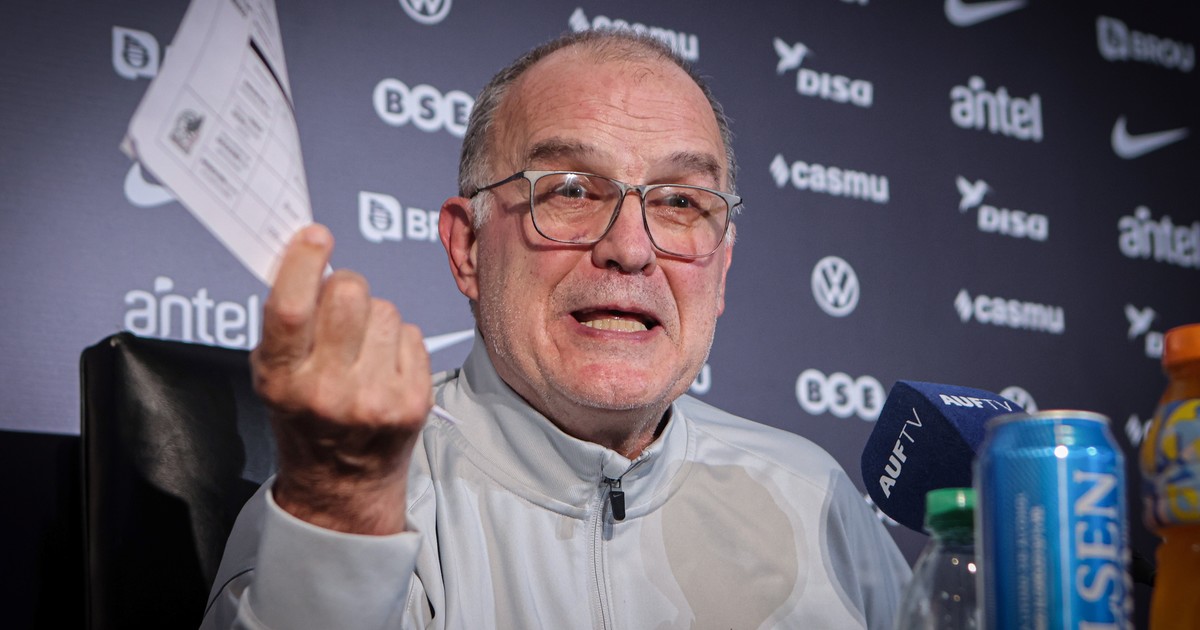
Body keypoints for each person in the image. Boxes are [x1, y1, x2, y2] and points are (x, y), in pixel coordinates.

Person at [201, 29, 910, 629]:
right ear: (468, 248)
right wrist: (343, 522)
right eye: (570, 190)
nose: (630, 248)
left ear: (720, 270)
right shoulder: (351, 509)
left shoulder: (815, 499)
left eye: (679, 203)